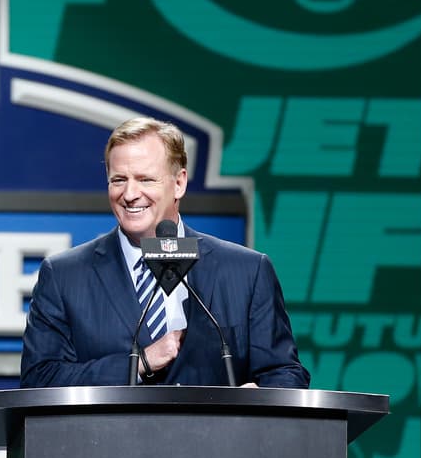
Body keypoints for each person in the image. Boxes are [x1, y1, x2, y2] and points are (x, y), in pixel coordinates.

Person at [20, 116, 309, 388]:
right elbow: (40, 379)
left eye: (145, 179)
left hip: (220, 440)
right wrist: (140, 363)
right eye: (119, 179)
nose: (130, 194)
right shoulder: (64, 276)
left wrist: (261, 397)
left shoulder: (246, 272)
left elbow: (284, 372)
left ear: (179, 183)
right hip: (111, 441)